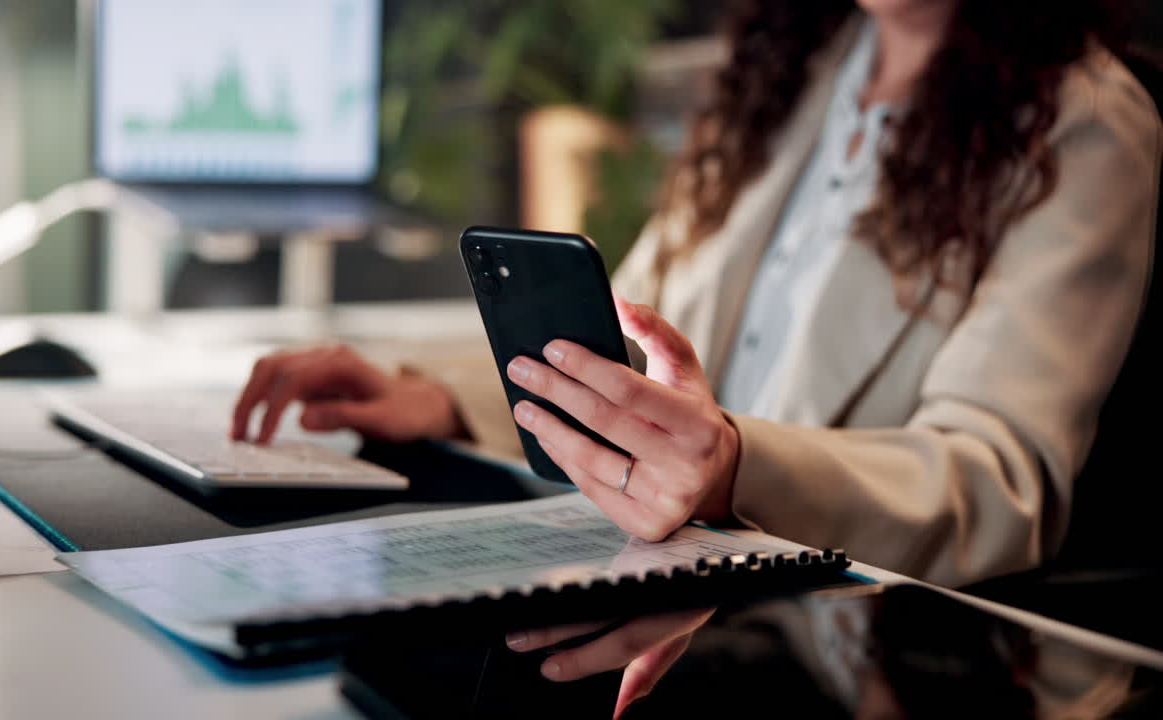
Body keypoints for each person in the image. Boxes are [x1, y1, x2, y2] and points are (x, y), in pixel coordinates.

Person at [232, 0, 1159, 709]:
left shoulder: (1087, 124)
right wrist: (437, 397)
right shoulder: (792, 71)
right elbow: (631, 337)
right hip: (667, 596)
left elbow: (997, 475)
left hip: (849, 652)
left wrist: (737, 466)